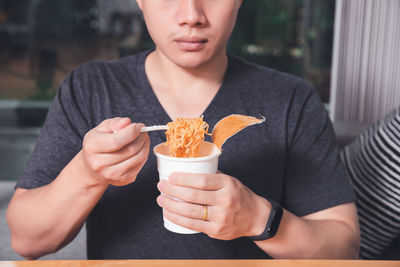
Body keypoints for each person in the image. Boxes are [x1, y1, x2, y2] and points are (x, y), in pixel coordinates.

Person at [7, 0, 360, 260]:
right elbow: (27, 241)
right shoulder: (90, 88)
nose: (192, 15)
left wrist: (259, 219)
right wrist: (87, 172)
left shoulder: (290, 99)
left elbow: (343, 249)